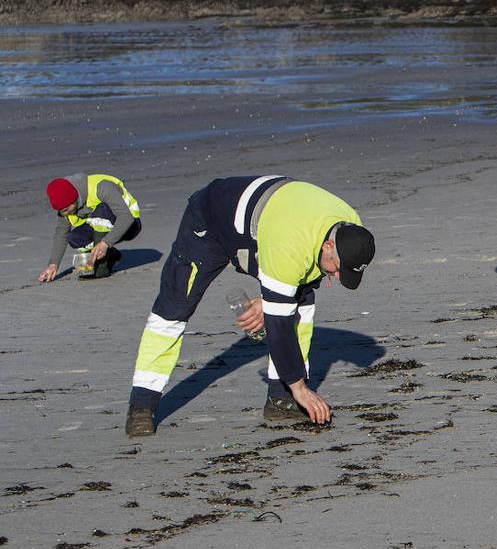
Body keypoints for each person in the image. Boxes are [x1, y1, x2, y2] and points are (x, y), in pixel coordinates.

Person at [124, 176, 375, 437]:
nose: (334, 277)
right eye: (337, 269)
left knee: (301, 304)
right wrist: (301, 387)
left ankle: (281, 398)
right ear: (328, 244)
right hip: (209, 221)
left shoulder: (351, 228)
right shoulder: (290, 245)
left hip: (270, 227)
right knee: (174, 308)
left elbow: (294, 288)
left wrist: (270, 302)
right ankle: (142, 404)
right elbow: (278, 326)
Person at [38, 173, 142, 282]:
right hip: (100, 226)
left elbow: (127, 217)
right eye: (61, 211)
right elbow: (61, 233)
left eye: (65, 210)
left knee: (101, 210)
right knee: (74, 238)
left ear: (75, 199)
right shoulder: (64, 206)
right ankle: (111, 256)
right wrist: (53, 264)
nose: (64, 214)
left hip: (130, 224)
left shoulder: (102, 188)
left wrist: (106, 243)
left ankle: (101, 269)